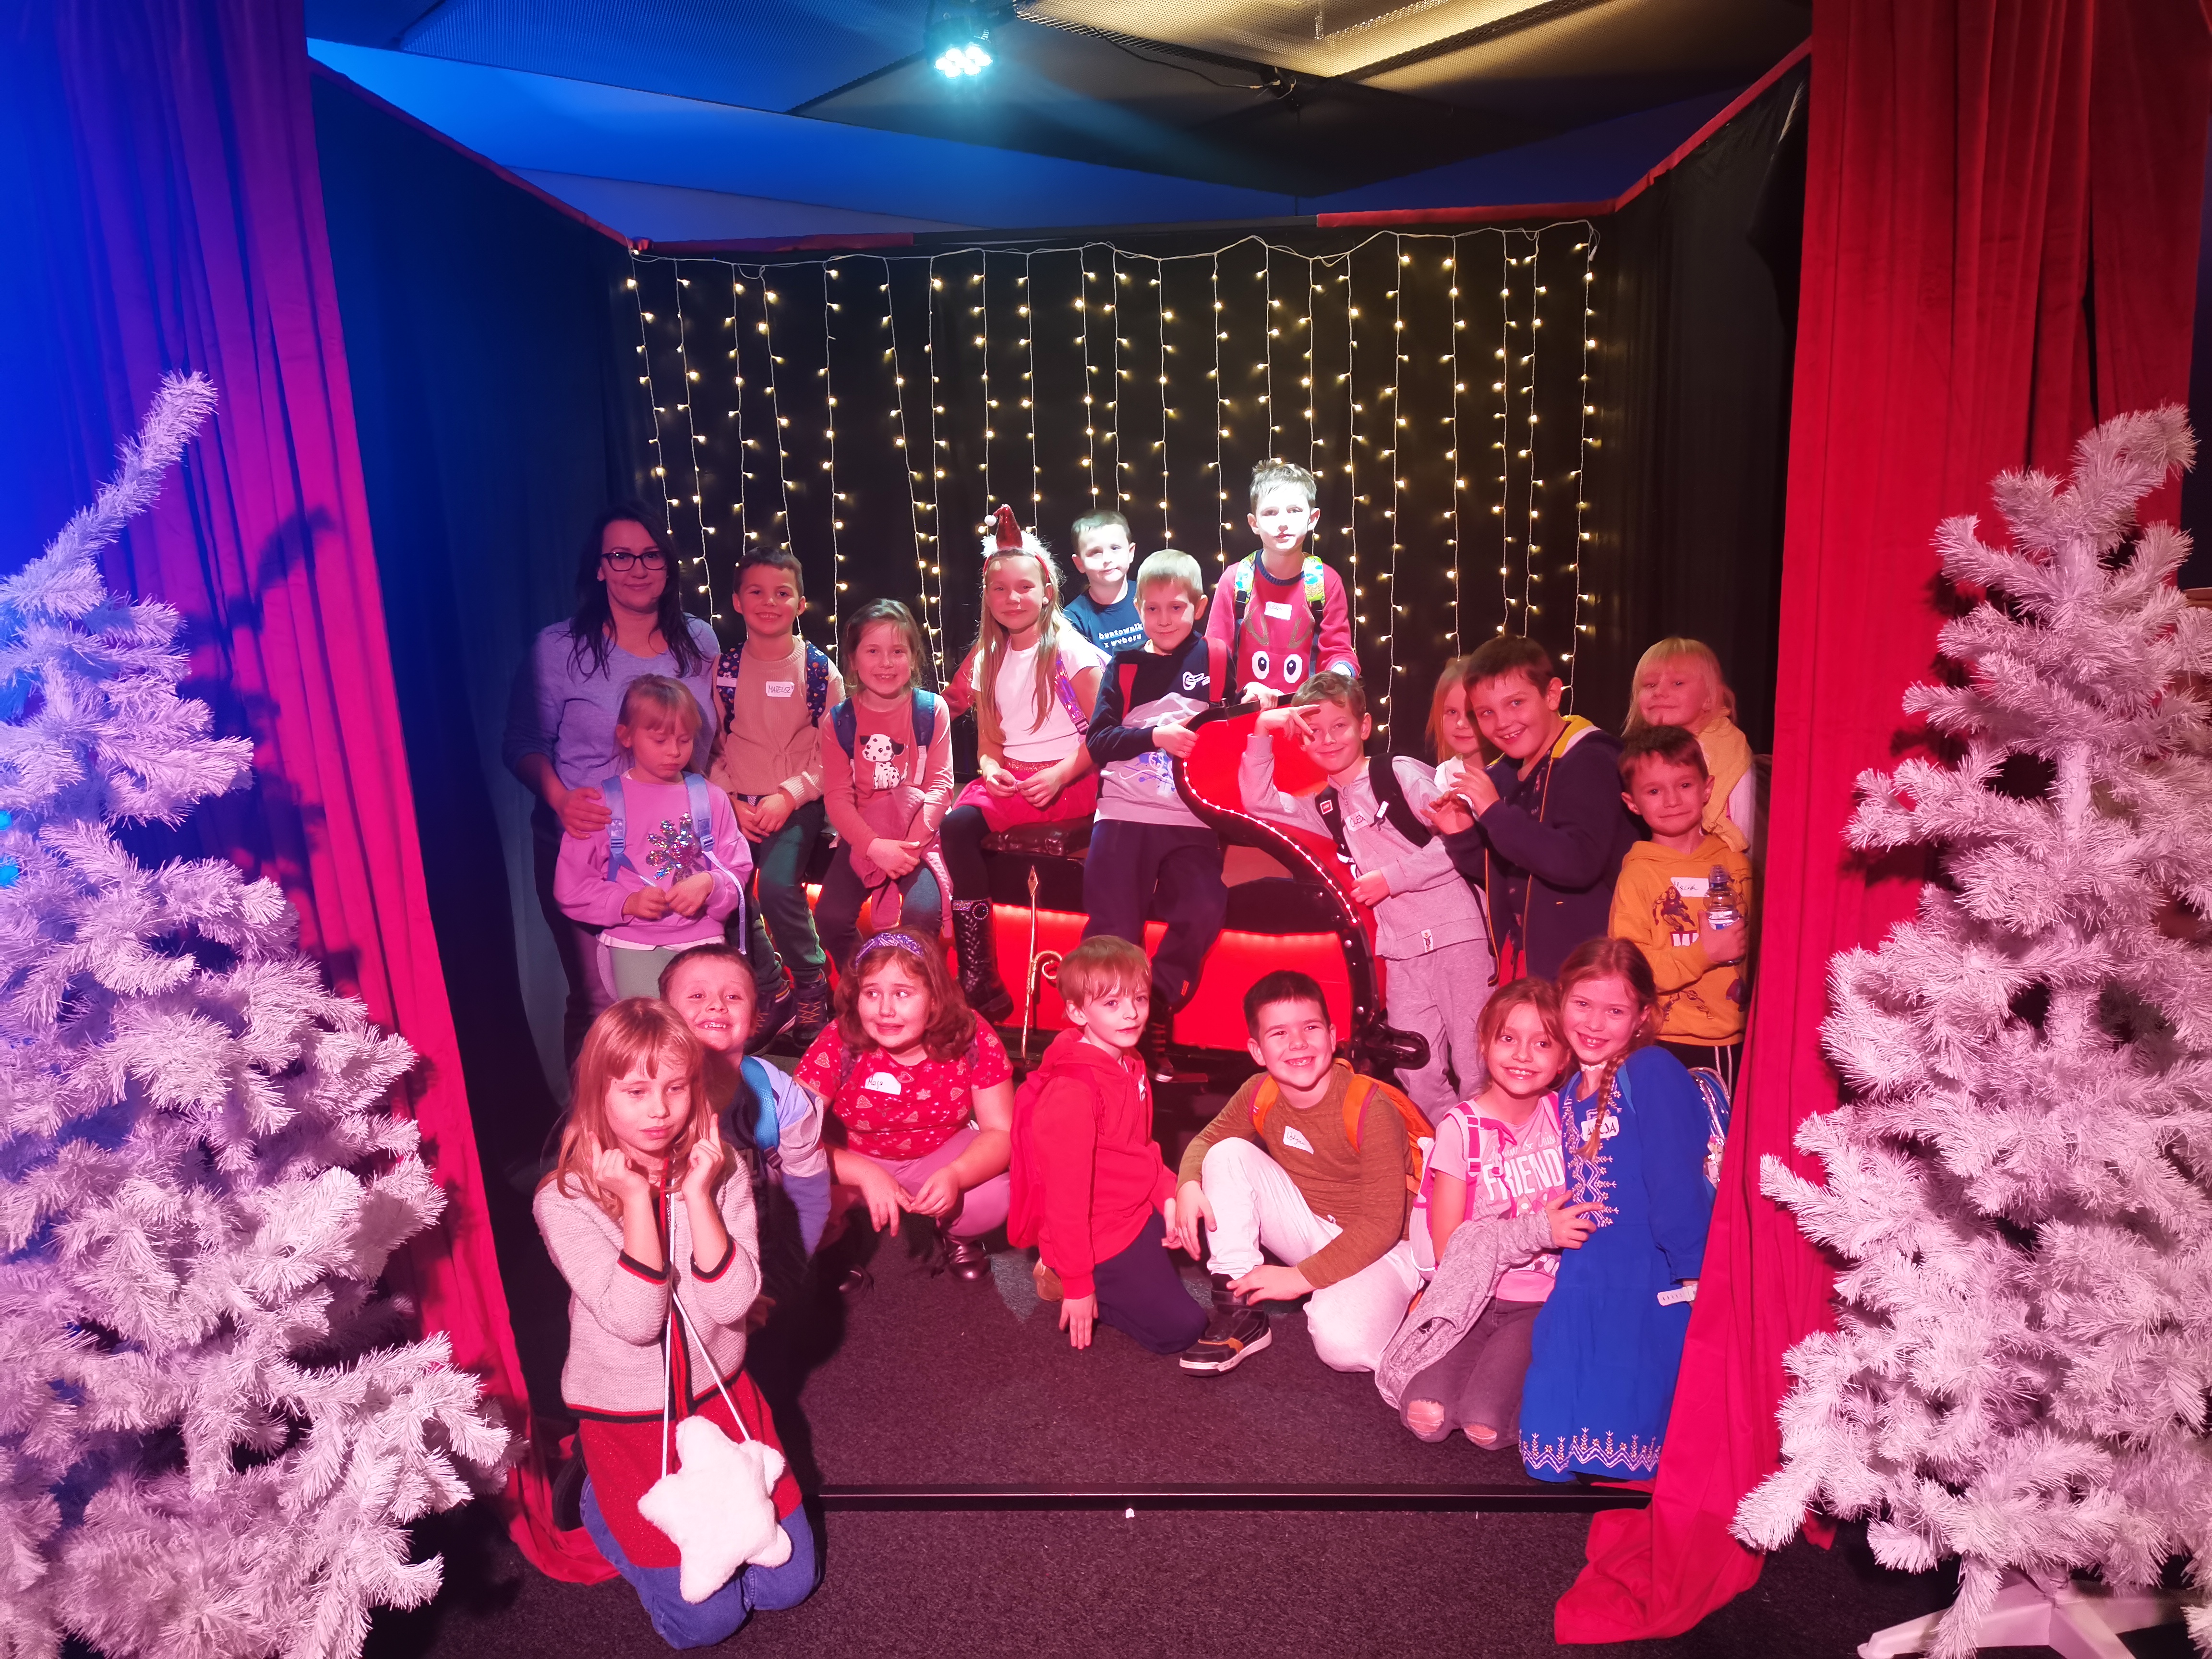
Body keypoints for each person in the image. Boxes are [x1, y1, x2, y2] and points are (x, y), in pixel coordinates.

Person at [533, 999, 814, 1647]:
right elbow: (637, 1320)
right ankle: (597, 1498)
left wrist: (698, 1195)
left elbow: (731, 1303)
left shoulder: (723, 1169)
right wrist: (637, 1202)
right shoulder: (565, 1198)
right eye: (635, 1092)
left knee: (788, 1586)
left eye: (676, 1088)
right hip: (631, 1423)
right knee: (705, 1624)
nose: (658, 1110)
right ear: (598, 1096)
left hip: (724, 1401)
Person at [505, 505, 721, 1062]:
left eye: (651, 555)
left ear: (668, 565)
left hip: (675, 849)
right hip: (588, 846)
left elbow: (712, 742)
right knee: (602, 999)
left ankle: (676, 1105)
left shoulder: (698, 641)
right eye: (621, 556)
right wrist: (560, 799)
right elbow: (522, 743)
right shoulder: (559, 649)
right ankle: (596, 1117)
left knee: (685, 992)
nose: (638, 568)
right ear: (599, 568)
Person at [1244, 672, 1494, 1121]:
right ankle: (1452, 1145)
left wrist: (1391, 879)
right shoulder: (1326, 805)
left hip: (1458, 938)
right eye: (1314, 731)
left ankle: (1490, 1150)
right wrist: (1262, 729)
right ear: (1301, 740)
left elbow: (1460, 842)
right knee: (1415, 1067)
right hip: (1402, 953)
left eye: (1339, 726)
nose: (1328, 740)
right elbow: (1259, 802)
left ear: (1364, 727)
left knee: (1476, 1063)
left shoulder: (1397, 773)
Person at [1518, 939, 1717, 1483]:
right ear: (1561, 999)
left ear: (1642, 1016)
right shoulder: (1567, 1092)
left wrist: (1693, 1272)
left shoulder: (1652, 1071)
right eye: (1582, 1004)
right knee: (1555, 1408)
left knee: (1628, 1401)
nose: (1594, 1023)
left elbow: (1675, 1177)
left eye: (1615, 1011)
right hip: (1586, 1266)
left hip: (1647, 1267)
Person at [1167, 971, 1428, 1376]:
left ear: (1332, 1036)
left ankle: (1405, 1303)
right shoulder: (1260, 1091)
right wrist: (1187, 1184)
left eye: (1310, 1028)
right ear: (1257, 1051)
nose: (1298, 1043)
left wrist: (1300, 1279)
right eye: (1279, 1034)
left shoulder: (1370, 1108)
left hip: (1387, 1248)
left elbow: (1382, 1225)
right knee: (1226, 1154)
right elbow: (1207, 1141)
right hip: (1313, 1227)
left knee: (1341, 1344)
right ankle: (1240, 1311)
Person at [1396, 979, 1597, 1450]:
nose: (1523, 1055)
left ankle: (1541, 1394)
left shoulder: (1565, 1116)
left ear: (1563, 1058)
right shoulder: (1461, 1129)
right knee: (1424, 1414)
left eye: (1542, 1043)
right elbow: (1450, 1247)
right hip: (1472, 1298)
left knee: (1483, 1423)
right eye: (1509, 1038)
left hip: (1539, 1302)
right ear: (1485, 1045)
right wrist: (1536, 1230)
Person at [940, 509, 1107, 1021]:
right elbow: (989, 740)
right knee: (956, 826)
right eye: (1000, 589)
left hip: (1068, 776)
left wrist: (1060, 775)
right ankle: (978, 972)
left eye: (1024, 588)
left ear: (1047, 592)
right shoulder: (987, 657)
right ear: (988, 596)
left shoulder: (1071, 652)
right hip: (1014, 777)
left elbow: (1105, 734)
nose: (1012, 598)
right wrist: (990, 768)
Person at [1008, 936, 1207, 1357]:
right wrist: (1079, 1285)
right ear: (1078, 1012)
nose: (1131, 1013)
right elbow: (1065, 1199)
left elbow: (1140, 1147)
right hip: (1096, 1232)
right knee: (1183, 1329)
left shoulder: (1130, 1060)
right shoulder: (1073, 1093)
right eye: (1112, 1003)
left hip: (1132, 1208)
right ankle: (1059, 1271)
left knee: (1210, 1213)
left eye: (1139, 998)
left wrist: (1167, 1195)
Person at [1082, 549, 1231, 1070]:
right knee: (1113, 929)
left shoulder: (1217, 659)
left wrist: (1258, 701)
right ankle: (1108, 1038)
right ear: (1138, 608)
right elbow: (1099, 741)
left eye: (1177, 607)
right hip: (1123, 814)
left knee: (1205, 904)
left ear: (1199, 607)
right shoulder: (1124, 666)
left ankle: (1158, 1002)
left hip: (1191, 819)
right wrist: (1154, 736)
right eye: (1152, 609)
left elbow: (1237, 731)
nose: (1164, 620)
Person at [794, 931, 1012, 1282]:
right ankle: (834, 1239)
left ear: (935, 999)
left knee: (994, 1195)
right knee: (790, 1192)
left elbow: (1000, 1132)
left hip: (938, 1152)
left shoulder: (972, 1035)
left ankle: (956, 1235)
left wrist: (956, 1176)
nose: (885, 1010)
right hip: (852, 1155)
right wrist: (863, 1174)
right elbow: (789, 1134)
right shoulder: (840, 1039)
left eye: (902, 993)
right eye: (872, 993)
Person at [1425, 636, 1639, 982]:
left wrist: (1494, 812)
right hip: (1526, 962)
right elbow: (1505, 874)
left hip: (1589, 971)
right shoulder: (1505, 773)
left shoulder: (1590, 759)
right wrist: (1461, 833)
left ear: (1552, 694)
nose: (1503, 722)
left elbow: (1578, 863)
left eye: (1516, 703)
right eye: (1487, 713)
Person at [707, 549, 842, 1053]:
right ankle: (772, 987)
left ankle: (811, 983)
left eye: (782, 593)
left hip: (796, 805)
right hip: (735, 807)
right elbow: (712, 746)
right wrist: (729, 800)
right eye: (757, 592)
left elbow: (835, 755)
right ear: (737, 602)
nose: (769, 602)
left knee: (780, 886)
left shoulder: (819, 671)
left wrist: (790, 795)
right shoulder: (723, 670)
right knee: (724, 892)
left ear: (801, 604)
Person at [554, 676, 748, 1002]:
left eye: (684, 740)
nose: (674, 751)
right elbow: (571, 887)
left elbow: (738, 868)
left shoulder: (711, 798)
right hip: (635, 946)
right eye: (660, 740)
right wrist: (627, 903)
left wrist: (710, 884)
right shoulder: (602, 805)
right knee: (651, 1030)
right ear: (626, 736)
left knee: (701, 1028)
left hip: (702, 943)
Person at [659, 944, 832, 1307]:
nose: (717, 1005)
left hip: (759, 1263)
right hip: (672, 1274)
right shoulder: (643, 1098)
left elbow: (808, 1192)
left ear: (755, 1018)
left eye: (733, 996)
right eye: (697, 995)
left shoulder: (778, 1095)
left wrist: (784, 1279)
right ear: (664, 1015)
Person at [1609, 725, 1754, 1091]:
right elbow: (1630, 970)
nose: (1672, 800)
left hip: (1736, 1038)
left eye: (1685, 785)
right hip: (1662, 1039)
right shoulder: (1638, 875)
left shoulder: (1736, 864)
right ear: (1632, 803)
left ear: (1707, 789)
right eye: (1654, 791)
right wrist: (1704, 953)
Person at [815, 600, 953, 974]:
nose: (886, 663)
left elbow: (941, 785)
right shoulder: (838, 721)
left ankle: (916, 989)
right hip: (866, 836)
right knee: (830, 917)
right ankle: (865, 982)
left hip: (917, 836)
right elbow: (838, 798)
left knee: (922, 911)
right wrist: (876, 848)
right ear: (854, 660)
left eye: (898, 652)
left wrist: (908, 849)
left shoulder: (931, 710)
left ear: (914, 657)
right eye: (873, 651)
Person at [1204, 458, 1357, 708]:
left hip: (1305, 713)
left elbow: (1338, 650)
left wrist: (1339, 676)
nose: (1283, 522)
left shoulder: (1325, 581)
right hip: (1246, 711)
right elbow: (1215, 654)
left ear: (1313, 518)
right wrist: (1236, 693)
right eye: (1270, 513)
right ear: (1254, 523)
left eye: (1294, 511)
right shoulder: (1235, 580)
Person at [1623, 637, 1757, 855]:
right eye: (1650, 685)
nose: (1659, 692)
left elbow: (1741, 827)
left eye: (1678, 683)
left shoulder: (1720, 747)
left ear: (1708, 699)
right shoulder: (1652, 749)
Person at [1060, 509, 1145, 656]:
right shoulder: (1073, 619)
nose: (1107, 559)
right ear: (1079, 563)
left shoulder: (1152, 597)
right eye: (1095, 552)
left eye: (1115, 548)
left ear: (1130, 552)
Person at [1427, 653, 1485, 792]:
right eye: (1452, 712)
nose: (1461, 723)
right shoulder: (1444, 776)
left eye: (1472, 714)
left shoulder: (1516, 770)